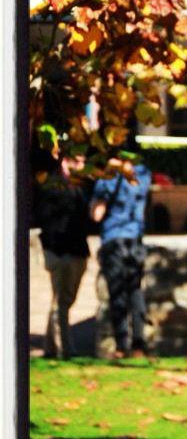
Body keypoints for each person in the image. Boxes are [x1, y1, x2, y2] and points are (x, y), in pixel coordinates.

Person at [90, 154, 152, 358]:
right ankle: (139, 344)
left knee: (117, 293)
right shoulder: (143, 174)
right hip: (135, 240)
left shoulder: (108, 178)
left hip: (113, 239)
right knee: (135, 291)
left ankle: (122, 346)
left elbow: (97, 214)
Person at [34, 153, 92, 359]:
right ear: (66, 161)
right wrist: (53, 249)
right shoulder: (52, 185)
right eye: (78, 161)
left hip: (78, 250)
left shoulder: (81, 187)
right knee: (62, 302)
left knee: (64, 300)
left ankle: (50, 347)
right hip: (61, 251)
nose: (82, 165)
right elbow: (46, 218)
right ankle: (65, 348)